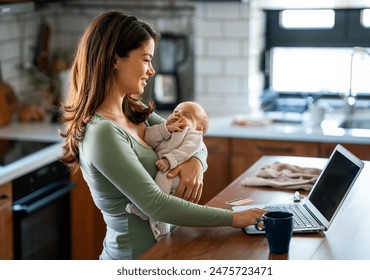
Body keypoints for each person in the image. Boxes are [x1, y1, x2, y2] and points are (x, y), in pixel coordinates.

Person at [59, 10, 267, 260]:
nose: (152, 71)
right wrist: (232, 218)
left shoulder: (135, 113)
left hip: (166, 252)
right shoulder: (102, 132)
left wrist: (195, 162)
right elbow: (157, 205)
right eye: (146, 59)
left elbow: (193, 136)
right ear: (115, 59)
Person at [126, 101, 209, 240]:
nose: (178, 114)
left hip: (176, 172)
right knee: (160, 184)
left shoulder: (193, 135)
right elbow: (148, 137)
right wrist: (167, 129)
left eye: (187, 115)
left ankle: (161, 226)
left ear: (198, 128)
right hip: (167, 167)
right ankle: (146, 210)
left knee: (164, 181)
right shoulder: (167, 128)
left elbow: (186, 150)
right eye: (176, 111)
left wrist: (168, 161)